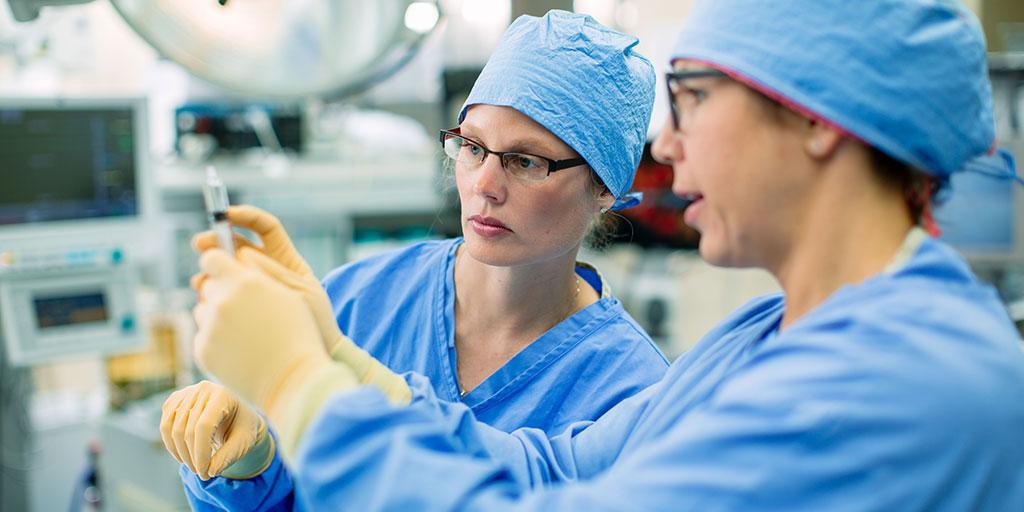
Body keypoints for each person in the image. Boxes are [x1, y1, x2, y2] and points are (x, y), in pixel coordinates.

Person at [189, 0, 1024, 510]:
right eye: (473, 148)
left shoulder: (902, 384)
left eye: (693, 98)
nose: (667, 139)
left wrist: (300, 390)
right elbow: (554, 470)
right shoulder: (769, 338)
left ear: (816, 120)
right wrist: (334, 355)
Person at [160, 9, 668, 510]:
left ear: (604, 188)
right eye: (472, 147)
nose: (484, 186)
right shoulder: (361, 297)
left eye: (525, 161)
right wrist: (252, 466)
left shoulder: (629, 390)